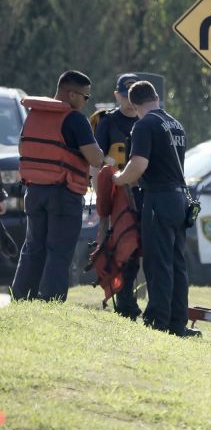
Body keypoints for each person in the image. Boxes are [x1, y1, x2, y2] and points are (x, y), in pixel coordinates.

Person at [112, 81, 200, 337]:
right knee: (177, 263)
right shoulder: (175, 123)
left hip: (158, 199)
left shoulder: (144, 125)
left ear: (132, 104)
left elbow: (138, 164)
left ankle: (157, 320)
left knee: (158, 263)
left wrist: (119, 179)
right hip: (180, 199)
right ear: (157, 97)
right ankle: (177, 321)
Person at [12, 70, 104, 301]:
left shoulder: (34, 115)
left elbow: (24, 149)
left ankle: (22, 297)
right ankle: (51, 299)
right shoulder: (74, 119)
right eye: (86, 97)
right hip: (64, 193)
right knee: (59, 250)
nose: (85, 102)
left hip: (33, 190)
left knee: (33, 247)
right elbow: (95, 159)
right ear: (72, 95)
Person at [93, 73, 143, 320]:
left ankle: (129, 300)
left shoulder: (147, 120)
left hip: (142, 192)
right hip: (117, 193)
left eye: (133, 95)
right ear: (117, 95)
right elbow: (98, 164)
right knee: (123, 247)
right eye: (125, 95)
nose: (129, 101)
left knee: (140, 249)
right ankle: (125, 301)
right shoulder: (108, 122)